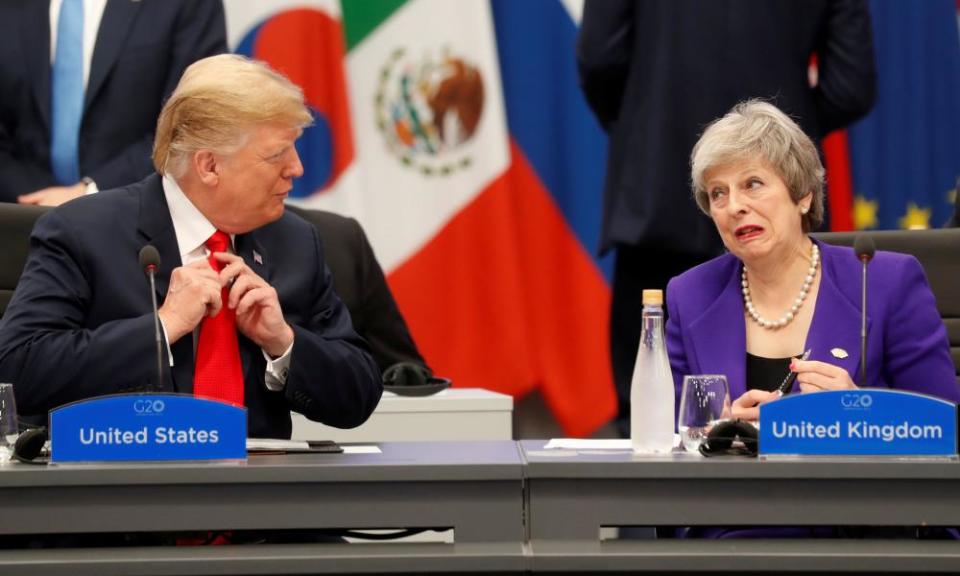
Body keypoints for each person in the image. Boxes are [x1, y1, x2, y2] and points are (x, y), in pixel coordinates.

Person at [0, 54, 382, 439]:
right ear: (209, 166)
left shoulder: (296, 242)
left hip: (259, 492)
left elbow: (360, 394)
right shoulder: (82, 232)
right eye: (276, 154)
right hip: (123, 487)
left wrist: (282, 342)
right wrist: (163, 326)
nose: (297, 168)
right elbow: (17, 369)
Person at [577, 0, 877, 435]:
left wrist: (645, 121)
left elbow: (599, 57)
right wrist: (777, 139)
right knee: (815, 420)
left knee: (650, 423)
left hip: (656, 187)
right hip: (776, 189)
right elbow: (851, 85)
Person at [666, 100, 960, 427]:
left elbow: (946, 425)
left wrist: (861, 412)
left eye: (752, 184)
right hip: (733, 479)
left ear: (802, 195)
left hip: (851, 479)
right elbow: (669, 431)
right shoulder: (690, 295)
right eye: (718, 193)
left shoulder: (886, 283)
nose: (734, 206)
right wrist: (720, 428)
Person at [0, 0, 227, 205]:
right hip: (17, 220)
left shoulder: (187, 5)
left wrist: (89, 192)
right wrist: (38, 199)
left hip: (137, 222)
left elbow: (193, 122)